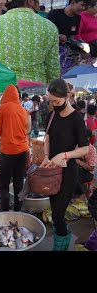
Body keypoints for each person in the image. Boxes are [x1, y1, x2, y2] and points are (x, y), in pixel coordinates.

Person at [0, 0, 60, 84]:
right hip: (37, 91)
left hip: (4, 89)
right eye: (37, 1)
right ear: (30, 1)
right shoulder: (50, 27)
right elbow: (53, 68)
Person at [41, 79, 89, 251]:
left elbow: (85, 148)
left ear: (67, 96)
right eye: (51, 100)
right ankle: (62, 237)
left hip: (68, 173)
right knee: (55, 211)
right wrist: (46, 156)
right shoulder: (51, 115)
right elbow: (46, 138)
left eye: (57, 101)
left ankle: (60, 247)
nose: (53, 104)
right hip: (52, 171)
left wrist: (65, 155)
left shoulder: (76, 118)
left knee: (58, 214)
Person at [0, 84, 30, 212]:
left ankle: (5, 212)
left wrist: (0, 136)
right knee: (19, 182)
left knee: (3, 184)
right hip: (23, 151)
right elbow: (25, 129)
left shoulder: (2, 108)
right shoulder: (23, 110)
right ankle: (18, 210)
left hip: (8, 152)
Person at [48, 0, 91, 75]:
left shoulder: (77, 18)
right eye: (82, 5)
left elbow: (72, 37)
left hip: (67, 52)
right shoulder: (54, 14)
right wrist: (58, 36)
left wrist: (83, 48)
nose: (83, 9)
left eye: (85, 7)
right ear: (73, 2)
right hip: (52, 51)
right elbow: (46, 33)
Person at [74, 129, 96, 200]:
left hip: (87, 173)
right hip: (76, 169)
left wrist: (78, 161)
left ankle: (81, 194)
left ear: (88, 138)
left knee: (75, 175)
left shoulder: (92, 150)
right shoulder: (75, 146)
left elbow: (91, 168)